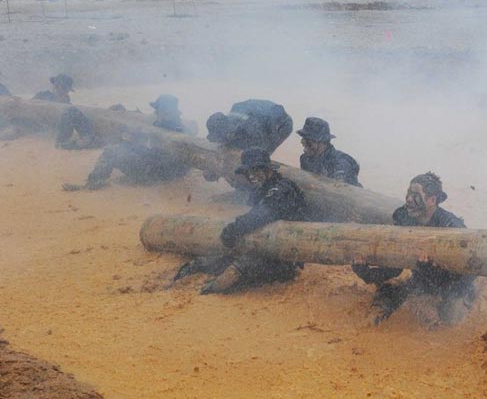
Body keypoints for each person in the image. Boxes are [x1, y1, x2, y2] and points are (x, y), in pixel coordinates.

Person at [176, 149, 308, 295]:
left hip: (285, 257)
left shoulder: (282, 189)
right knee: (207, 262)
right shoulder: (262, 188)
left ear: (266, 169)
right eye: (248, 173)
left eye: (255, 170)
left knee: (236, 271)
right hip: (260, 245)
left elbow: (262, 215)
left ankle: (206, 293)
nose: (252, 176)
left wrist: (234, 229)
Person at [352, 172, 475, 326]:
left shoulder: (452, 227)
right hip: (423, 280)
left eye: (416, 195)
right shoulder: (403, 217)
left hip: (455, 285)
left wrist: (431, 271)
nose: (409, 199)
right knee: (387, 296)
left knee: (448, 325)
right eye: (409, 193)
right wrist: (366, 273)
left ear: (432, 200)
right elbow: (393, 268)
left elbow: (465, 272)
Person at [63, 95, 194, 190]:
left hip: (156, 173)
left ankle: (93, 182)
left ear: (163, 111)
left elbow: (158, 153)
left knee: (112, 151)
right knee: (122, 148)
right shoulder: (172, 125)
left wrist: (133, 145)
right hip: (163, 171)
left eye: (157, 109)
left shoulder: (171, 128)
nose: (156, 112)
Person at [206, 99, 292, 154]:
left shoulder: (252, 130)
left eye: (220, 137)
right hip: (262, 117)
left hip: (283, 123)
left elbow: (259, 145)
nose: (219, 141)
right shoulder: (232, 119)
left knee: (259, 154)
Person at [296, 117, 362, 187]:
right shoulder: (305, 160)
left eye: (308, 140)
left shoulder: (341, 162)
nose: (302, 142)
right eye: (303, 138)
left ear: (322, 142)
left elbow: (340, 190)